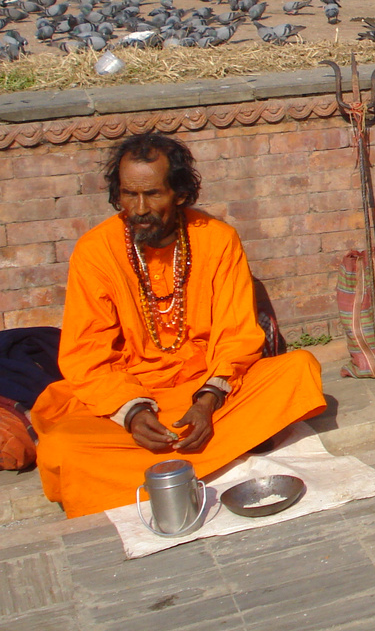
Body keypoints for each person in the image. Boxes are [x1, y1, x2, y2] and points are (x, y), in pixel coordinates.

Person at [30, 134, 325, 518]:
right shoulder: (95, 252)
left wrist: (207, 402)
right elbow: (86, 353)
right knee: (62, 446)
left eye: (153, 194)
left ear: (181, 193)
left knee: (298, 371)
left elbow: (237, 335)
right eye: (128, 195)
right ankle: (221, 452)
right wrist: (133, 413)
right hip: (131, 397)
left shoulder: (217, 240)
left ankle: (157, 469)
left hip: (206, 397)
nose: (139, 209)